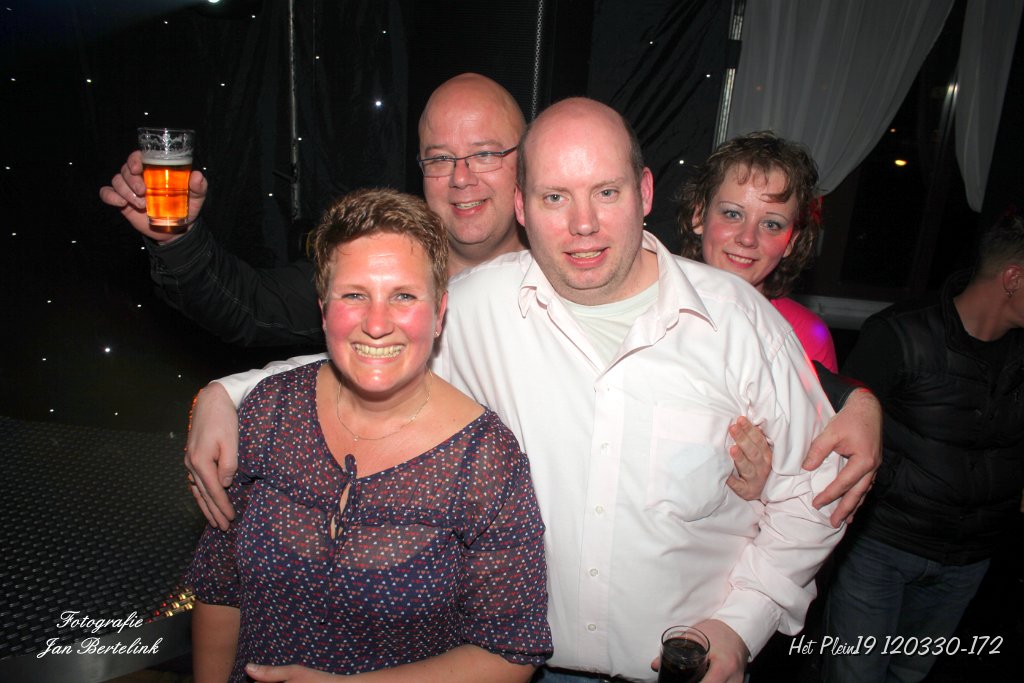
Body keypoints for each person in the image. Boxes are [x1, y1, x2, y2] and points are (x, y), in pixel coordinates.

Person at [205, 98, 850, 683]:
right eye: (555, 197)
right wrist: (227, 395)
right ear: (521, 207)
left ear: (645, 191)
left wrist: (741, 624)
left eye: (606, 192)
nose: (584, 224)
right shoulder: (481, 306)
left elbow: (815, 490)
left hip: (687, 670)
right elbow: (372, 349)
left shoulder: (738, 324)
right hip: (519, 668)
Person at [187, 187, 551, 682]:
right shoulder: (269, 411)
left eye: (403, 296)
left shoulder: (485, 461)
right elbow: (220, 588)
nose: (377, 324)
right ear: (323, 309)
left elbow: (510, 653)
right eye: (355, 295)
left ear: (440, 312)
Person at [98, 73, 527, 346]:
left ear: (524, 162)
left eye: (485, 154)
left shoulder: (556, 278)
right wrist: (178, 240)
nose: (460, 178)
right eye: (439, 158)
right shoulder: (381, 259)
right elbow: (252, 306)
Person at [822, 211, 1024, 683]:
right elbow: (835, 439)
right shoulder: (899, 335)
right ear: (1013, 279)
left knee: (910, 673)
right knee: (855, 676)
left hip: (969, 560)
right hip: (881, 550)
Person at [677, 131, 837, 372]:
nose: (747, 238)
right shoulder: (650, 306)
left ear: (791, 241)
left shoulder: (803, 336)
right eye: (733, 214)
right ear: (699, 217)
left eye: (771, 224)